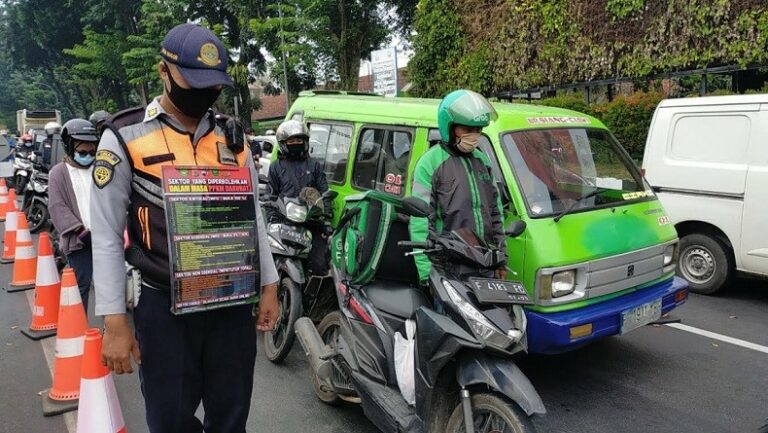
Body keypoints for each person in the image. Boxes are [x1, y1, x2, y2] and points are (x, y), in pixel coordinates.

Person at [90, 23, 279, 433]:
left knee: (231, 418)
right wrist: (115, 321)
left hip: (231, 304)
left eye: (212, 86)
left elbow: (254, 218)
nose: (203, 95)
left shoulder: (233, 139)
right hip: (163, 309)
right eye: (193, 83)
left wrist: (269, 285)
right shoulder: (124, 137)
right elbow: (105, 236)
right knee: (171, 419)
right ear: (163, 71)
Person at [409, 89, 507, 283]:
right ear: (450, 127)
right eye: (467, 129)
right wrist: (427, 273)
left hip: (484, 262)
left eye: (478, 130)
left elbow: (495, 213)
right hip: (449, 266)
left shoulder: (482, 161)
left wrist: (501, 259)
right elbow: (420, 221)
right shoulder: (430, 163)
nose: (474, 136)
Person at [268, 119, 332, 276]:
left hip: (311, 222)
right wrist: (271, 217)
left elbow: (324, 191)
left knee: (320, 265)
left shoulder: (314, 165)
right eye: (291, 140)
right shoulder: (276, 167)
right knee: (270, 258)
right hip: (285, 221)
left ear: (305, 142)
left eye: (299, 140)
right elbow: (271, 194)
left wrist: (327, 218)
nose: (296, 143)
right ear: (284, 143)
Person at [48, 119, 99, 312]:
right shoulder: (58, 173)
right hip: (79, 240)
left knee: (109, 286)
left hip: (104, 237)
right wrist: (79, 231)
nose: (88, 156)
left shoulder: (100, 170)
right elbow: (56, 206)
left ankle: (110, 331)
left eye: (92, 152)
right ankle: (78, 329)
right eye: (83, 152)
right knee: (81, 285)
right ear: (69, 147)